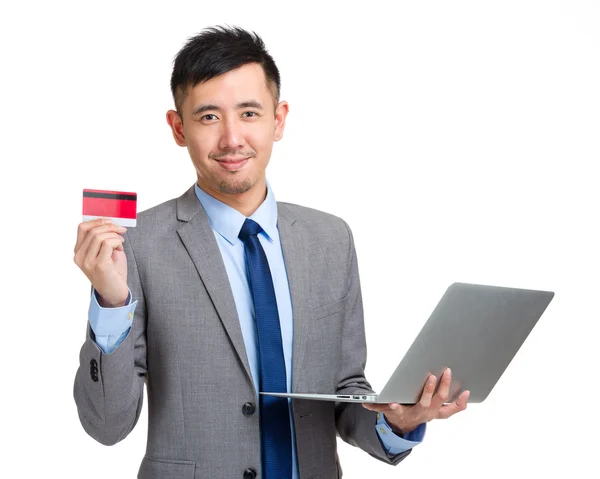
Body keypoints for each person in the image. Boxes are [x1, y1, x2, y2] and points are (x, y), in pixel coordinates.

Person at [73, 26, 469, 479]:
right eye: (208, 117)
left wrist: (398, 420)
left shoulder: (330, 240)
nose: (231, 138)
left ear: (278, 120)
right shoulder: (139, 244)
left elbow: (344, 393)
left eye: (248, 113)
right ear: (178, 127)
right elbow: (106, 425)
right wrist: (110, 302)